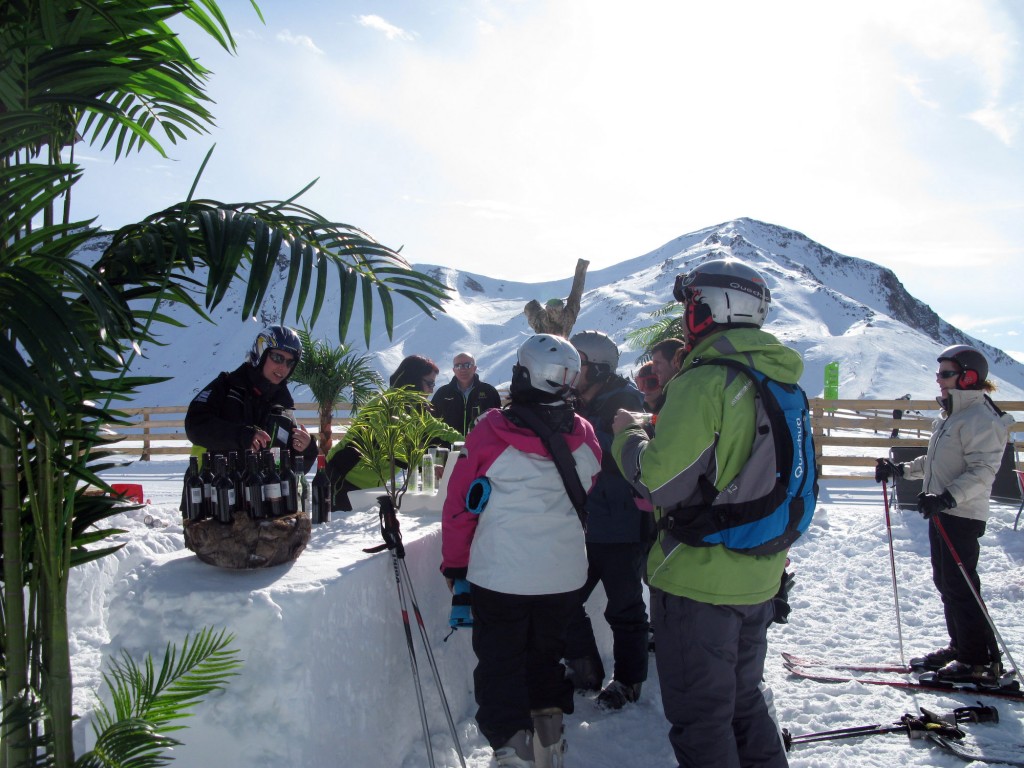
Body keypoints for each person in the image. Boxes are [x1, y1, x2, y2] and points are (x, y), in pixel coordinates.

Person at [611, 258, 794, 768]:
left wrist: (627, 434)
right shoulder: (775, 376)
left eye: (691, 304)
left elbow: (659, 482)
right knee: (744, 704)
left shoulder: (703, 380)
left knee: (701, 720)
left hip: (699, 580)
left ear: (708, 309)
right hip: (759, 572)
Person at [440, 334, 601, 767]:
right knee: (545, 657)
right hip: (564, 575)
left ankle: (512, 749)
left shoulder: (492, 429)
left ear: (523, 374)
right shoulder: (584, 434)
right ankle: (550, 744)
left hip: (501, 575)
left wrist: (455, 563)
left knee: (500, 663)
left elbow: (460, 505)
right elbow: (588, 487)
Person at [876, 345, 1013, 683]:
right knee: (948, 583)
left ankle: (978, 661)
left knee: (962, 586)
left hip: (962, 513)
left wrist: (947, 498)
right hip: (944, 510)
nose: (938, 380)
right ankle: (963, 647)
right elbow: (935, 462)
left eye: (946, 374)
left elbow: (983, 471)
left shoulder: (981, 418)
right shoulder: (952, 416)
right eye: (939, 374)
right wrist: (901, 470)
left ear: (968, 377)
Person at [563, 330, 650, 710]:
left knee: (624, 607)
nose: (571, 371)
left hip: (620, 524)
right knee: (563, 599)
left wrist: (568, 425)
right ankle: (586, 671)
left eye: (578, 363)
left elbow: (613, 453)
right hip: (586, 522)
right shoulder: (577, 400)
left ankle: (629, 681)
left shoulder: (624, 401)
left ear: (598, 368)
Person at [185, 325, 317, 472]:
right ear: (261, 353)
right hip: (214, 488)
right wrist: (243, 436)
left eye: (290, 362)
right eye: (277, 358)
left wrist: (306, 450)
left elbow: (290, 473)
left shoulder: (284, 410)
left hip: (262, 493)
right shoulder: (227, 387)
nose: (283, 367)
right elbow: (195, 425)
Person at [324, 355, 439, 510]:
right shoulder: (385, 404)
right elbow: (396, 452)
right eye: (429, 383)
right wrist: (427, 466)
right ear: (413, 380)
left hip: (369, 484)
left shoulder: (414, 409)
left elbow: (427, 437)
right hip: (344, 477)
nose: (432, 389)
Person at [431, 352, 502, 436]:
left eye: (467, 365)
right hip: (448, 446)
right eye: (458, 366)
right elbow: (432, 422)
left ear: (474, 368)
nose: (463, 369)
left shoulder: (489, 392)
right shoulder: (443, 393)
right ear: (453, 370)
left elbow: (498, 422)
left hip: (481, 446)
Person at [647, 337, 686, 413]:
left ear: (676, 361)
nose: (653, 370)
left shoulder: (686, 395)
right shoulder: (673, 394)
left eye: (657, 363)